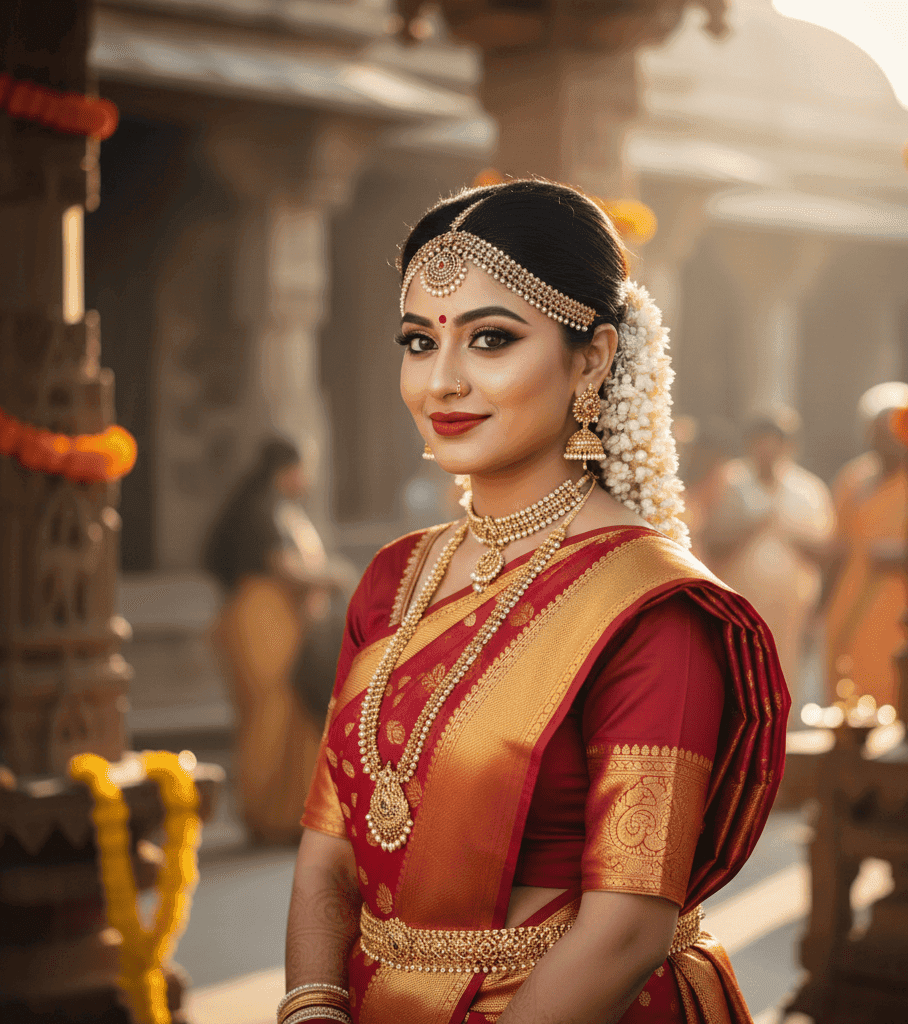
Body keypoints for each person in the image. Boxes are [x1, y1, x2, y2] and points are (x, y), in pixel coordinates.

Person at [283, 181, 788, 1024]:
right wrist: (313, 1007)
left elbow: (625, 932)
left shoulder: (651, 610)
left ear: (592, 358)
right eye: (419, 342)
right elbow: (327, 851)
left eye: (490, 339)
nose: (442, 382)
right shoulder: (393, 578)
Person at [204, 437, 352, 843]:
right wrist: (333, 577)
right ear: (284, 470)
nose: (306, 478)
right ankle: (265, 814)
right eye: (302, 469)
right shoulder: (262, 510)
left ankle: (289, 814)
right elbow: (283, 567)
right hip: (261, 620)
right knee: (269, 713)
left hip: (273, 618)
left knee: (290, 713)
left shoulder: (277, 508)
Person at [704, 410, 834, 714]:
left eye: (775, 443)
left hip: (792, 607)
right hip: (739, 605)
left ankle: (782, 739)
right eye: (761, 442)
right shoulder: (728, 483)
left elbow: (828, 551)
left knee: (785, 676)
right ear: (750, 444)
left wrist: (794, 536)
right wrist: (750, 525)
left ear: (789, 446)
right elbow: (709, 541)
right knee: (739, 678)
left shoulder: (808, 490)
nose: (768, 451)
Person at [823, 382, 908, 713]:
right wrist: (820, 608)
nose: (890, 437)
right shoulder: (853, 479)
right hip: (852, 605)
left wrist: (898, 556)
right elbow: (837, 549)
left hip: (898, 611)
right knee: (849, 695)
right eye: (880, 429)